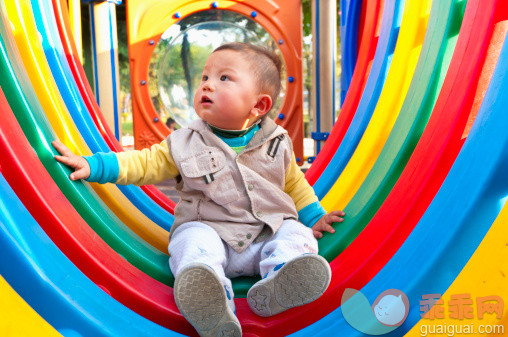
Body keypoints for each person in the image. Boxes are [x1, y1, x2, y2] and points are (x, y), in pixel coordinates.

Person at [52, 42, 345, 337]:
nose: (208, 85)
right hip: (210, 234)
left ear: (259, 106)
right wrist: (94, 166)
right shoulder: (183, 143)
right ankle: (212, 298)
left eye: (224, 78)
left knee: (296, 233)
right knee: (188, 240)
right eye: (205, 77)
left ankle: (280, 279)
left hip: (265, 237)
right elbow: (143, 163)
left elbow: (295, 183)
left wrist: (313, 217)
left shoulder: (277, 142)